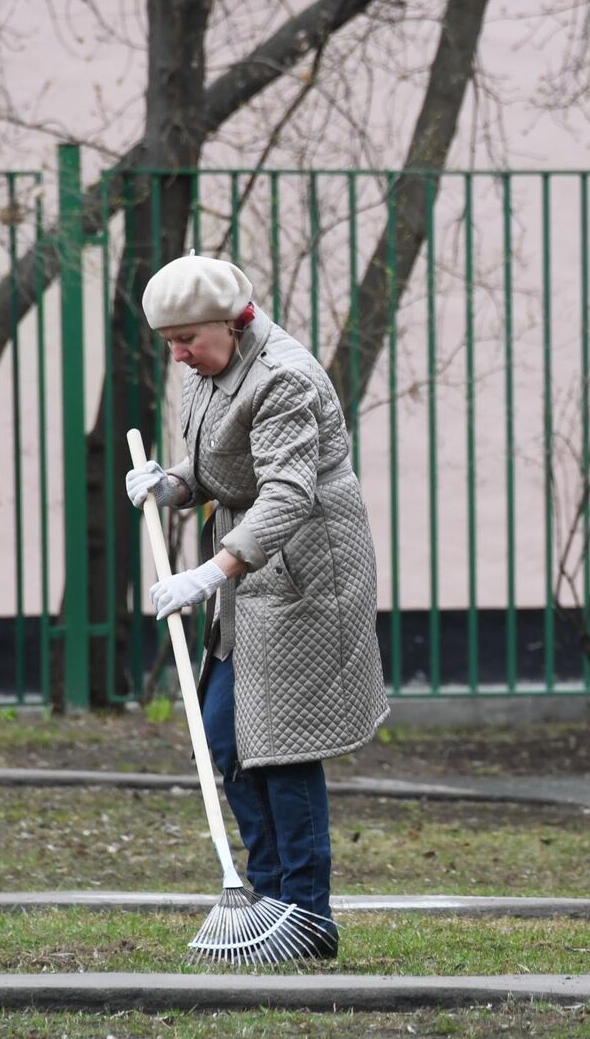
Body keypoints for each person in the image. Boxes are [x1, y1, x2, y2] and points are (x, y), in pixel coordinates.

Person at [125, 254, 389, 959]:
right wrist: (173, 484)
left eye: (186, 339)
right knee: (225, 736)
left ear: (231, 321)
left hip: (306, 573)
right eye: (169, 342)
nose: (177, 355)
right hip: (251, 575)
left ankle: (306, 915)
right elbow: (227, 463)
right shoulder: (211, 366)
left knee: (281, 745)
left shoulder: (284, 377)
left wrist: (207, 574)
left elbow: (287, 492)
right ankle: (267, 895)